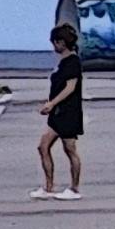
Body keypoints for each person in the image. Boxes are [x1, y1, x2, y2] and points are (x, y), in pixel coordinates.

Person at [35, 21, 85, 199]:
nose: (53, 46)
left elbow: (70, 87)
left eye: (54, 42)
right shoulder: (62, 62)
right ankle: (48, 187)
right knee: (43, 146)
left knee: (69, 149)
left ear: (61, 43)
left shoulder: (72, 62)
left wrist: (52, 103)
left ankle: (74, 188)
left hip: (68, 112)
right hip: (57, 113)